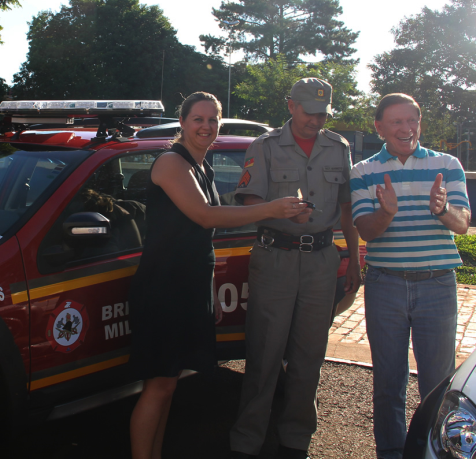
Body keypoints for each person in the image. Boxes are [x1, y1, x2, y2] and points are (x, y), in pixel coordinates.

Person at [128, 91, 307, 459]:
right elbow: (206, 216)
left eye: (213, 119)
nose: (206, 126)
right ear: (182, 122)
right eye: (198, 119)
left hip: (188, 284)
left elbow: (212, 216)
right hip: (165, 287)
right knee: (158, 386)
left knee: (168, 385)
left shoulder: (201, 165)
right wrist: (271, 209)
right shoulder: (171, 163)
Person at [229, 78, 362, 459]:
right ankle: (247, 440)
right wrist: (278, 208)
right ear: (291, 106)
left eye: (322, 113)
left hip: (321, 259)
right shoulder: (265, 146)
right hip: (276, 257)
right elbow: (249, 197)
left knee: (309, 355)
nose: (315, 120)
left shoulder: (338, 147)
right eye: (309, 112)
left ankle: (296, 439)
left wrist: (353, 257)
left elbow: (348, 207)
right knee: (264, 352)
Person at [350, 93, 471, 459]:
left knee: (437, 382)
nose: (406, 128)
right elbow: (366, 230)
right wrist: (386, 213)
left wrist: (443, 209)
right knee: (388, 382)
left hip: (437, 284)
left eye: (412, 120)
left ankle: (436, 451)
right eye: (397, 122)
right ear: (379, 127)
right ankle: (391, 451)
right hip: (385, 283)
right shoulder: (364, 171)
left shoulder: (446, 164)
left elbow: (463, 224)